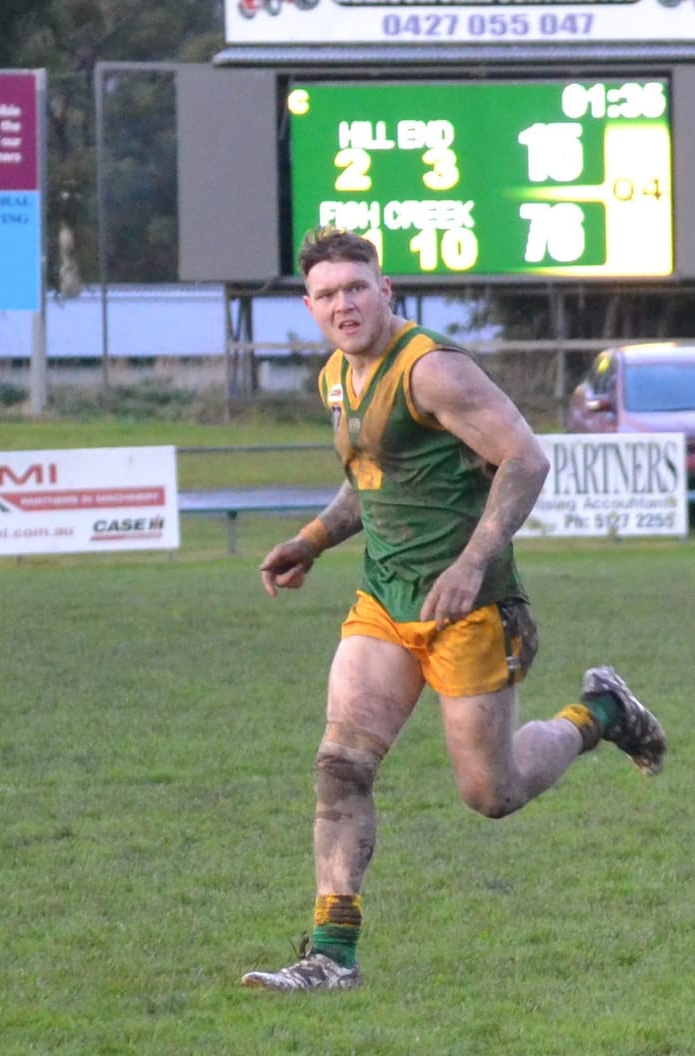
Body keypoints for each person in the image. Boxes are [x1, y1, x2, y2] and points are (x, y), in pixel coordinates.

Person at [242, 228, 666, 992]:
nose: (345, 303)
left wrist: (474, 562)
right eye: (328, 293)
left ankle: (600, 712)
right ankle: (331, 956)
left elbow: (526, 458)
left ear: (386, 290)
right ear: (309, 307)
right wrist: (311, 541)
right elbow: (374, 479)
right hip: (384, 600)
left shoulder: (431, 370)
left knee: (491, 793)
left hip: (471, 610)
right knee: (341, 765)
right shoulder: (337, 377)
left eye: (357, 287)